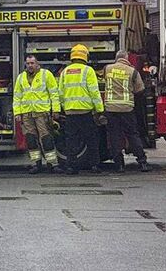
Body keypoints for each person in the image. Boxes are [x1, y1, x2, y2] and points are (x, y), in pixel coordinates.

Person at [58, 44, 104, 175]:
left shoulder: (65, 71)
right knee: (91, 139)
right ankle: (95, 165)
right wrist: (99, 109)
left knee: (71, 140)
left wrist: (64, 107)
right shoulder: (88, 71)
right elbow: (94, 92)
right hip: (85, 112)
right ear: (85, 56)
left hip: (70, 112)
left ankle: (71, 167)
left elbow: (60, 92)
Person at [103, 51, 150, 172]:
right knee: (132, 135)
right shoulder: (132, 71)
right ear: (126, 58)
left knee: (114, 136)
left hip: (111, 108)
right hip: (127, 108)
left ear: (116, 58)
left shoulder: (107, 69)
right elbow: (140, 89)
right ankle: (142, 161)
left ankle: (119, 165)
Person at [14, 54, 61, 174]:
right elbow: (17, 97)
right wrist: (17, 113)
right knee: (31, 140)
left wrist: (56, 110)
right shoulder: (21, 77)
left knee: (47, 139)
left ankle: (53, 164)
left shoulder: (46, 75)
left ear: (37, 64)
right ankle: (36, 164)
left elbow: (54, 93)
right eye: (28, 63)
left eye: (32, 63)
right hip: (27, 113)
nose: (30, 65)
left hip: (42, 113)